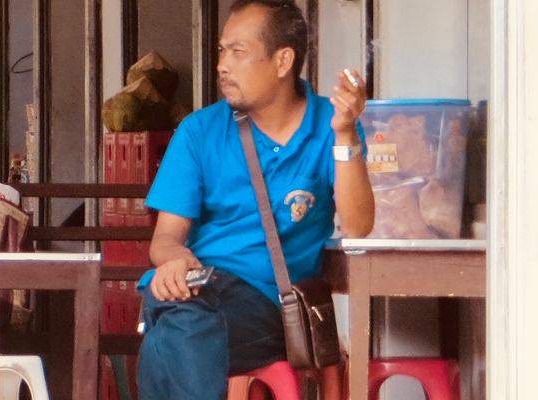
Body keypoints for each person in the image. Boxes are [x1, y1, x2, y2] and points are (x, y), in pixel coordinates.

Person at [137, 1, 373, 398]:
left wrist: (346, 135)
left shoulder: (330, 126)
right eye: (222, 51)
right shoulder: (200, 130)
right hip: (190, 289)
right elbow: (164, 240)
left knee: (168, 340)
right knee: (181, 321)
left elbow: (358, 226)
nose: (222, 65)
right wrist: (174, 261)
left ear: (283, 61)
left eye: (238, 52)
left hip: (267, 305)